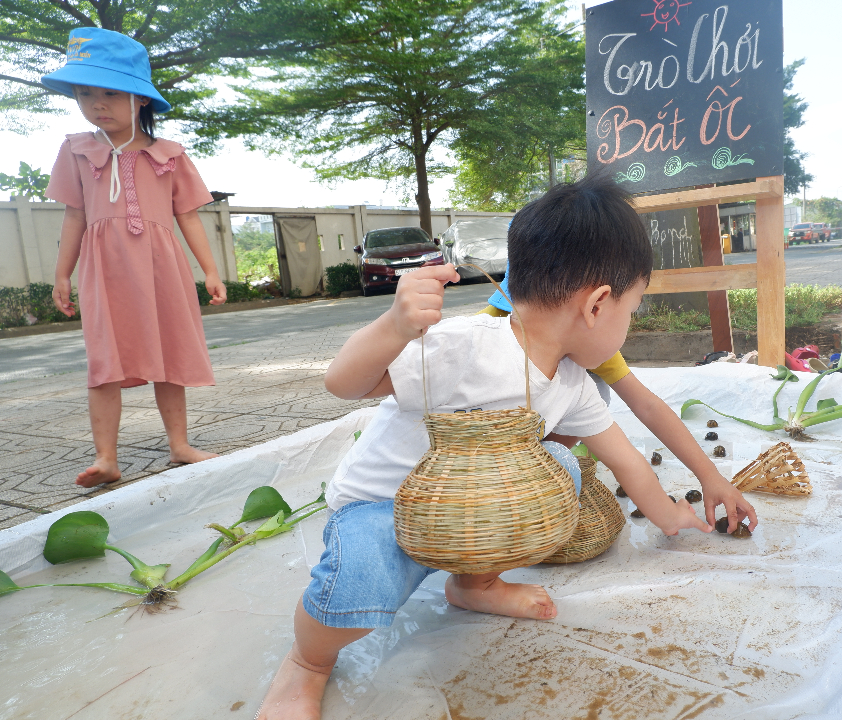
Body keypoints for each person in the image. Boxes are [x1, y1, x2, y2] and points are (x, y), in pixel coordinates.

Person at [255, 175, 758, 719]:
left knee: (560, 467)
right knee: (360, 580)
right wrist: (393, 326)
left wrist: (670, 515)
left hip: (468, 513)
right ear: (597, 304)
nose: (629, 326)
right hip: (388, 511)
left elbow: (626, 460)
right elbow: (342, 383)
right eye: (632, 310)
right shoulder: (464, 347)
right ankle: (306, 664)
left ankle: (474, 584)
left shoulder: (572, 383)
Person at [42, 28, 226, 487]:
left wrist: (210, 270)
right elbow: (74, 216)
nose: (96, 104)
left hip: (162, 270)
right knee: (104, 360)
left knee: (170, 353)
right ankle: (106, 458)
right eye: (85, 94)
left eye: (110, 93)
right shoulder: (77, 150)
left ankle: (180, 445)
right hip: (104, 273)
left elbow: (188, 216)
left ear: (140, 98)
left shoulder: (169, 155)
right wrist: (62, 274)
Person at [480, 277, 756, 534]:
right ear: (595, 306)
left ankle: (543, 462)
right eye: (631, 311)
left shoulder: (579, 372)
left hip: (510, 464)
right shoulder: (473, 341)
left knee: (572, 436)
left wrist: (708, 477)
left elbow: (643, 415)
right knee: (561, 465)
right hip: (472, 482)